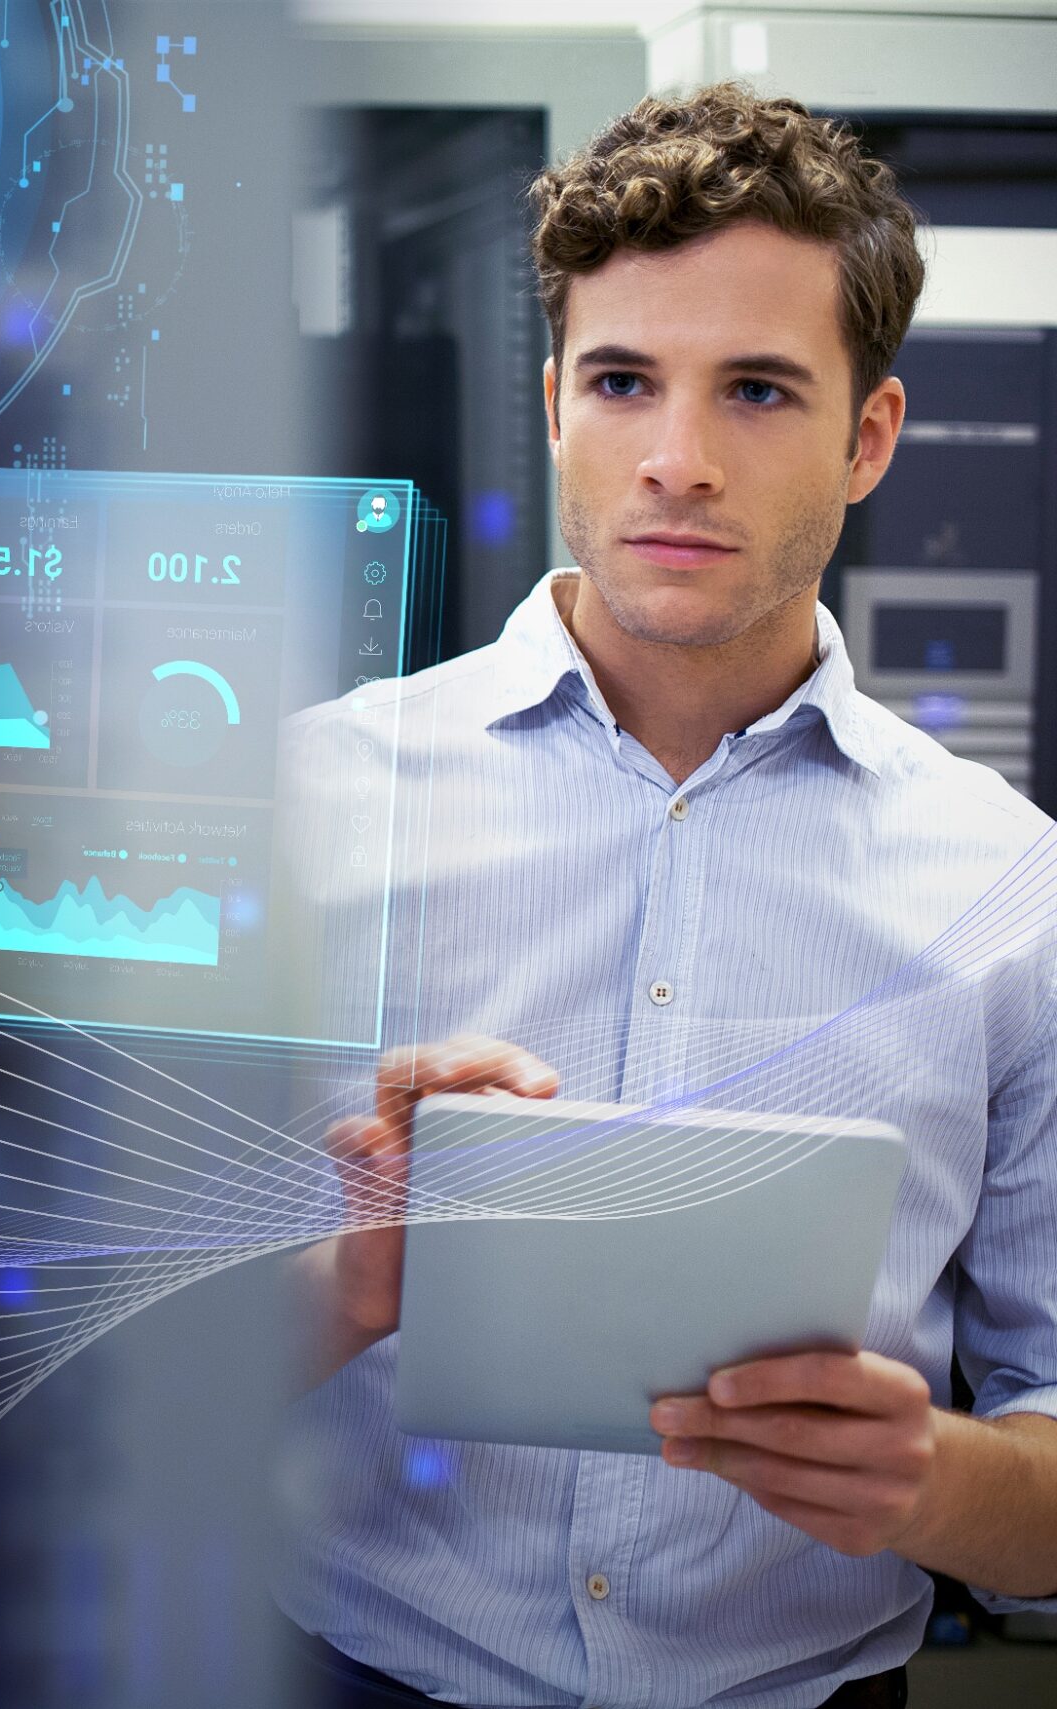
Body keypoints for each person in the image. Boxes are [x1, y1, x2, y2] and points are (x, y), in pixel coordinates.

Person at [281, 83, 1057, 1708]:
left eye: (760, 390)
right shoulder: (301, 809)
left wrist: (932, 1485)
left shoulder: (1015, 892)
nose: (680, 461)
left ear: (869, 438)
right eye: (625, 380)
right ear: (557, 400)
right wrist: (338, 1288)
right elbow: (69, 1404)